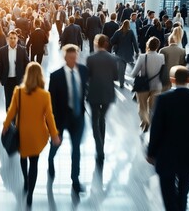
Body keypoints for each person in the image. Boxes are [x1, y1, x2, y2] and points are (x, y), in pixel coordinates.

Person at [147, 66, 189, 211]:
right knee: (183, 193)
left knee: (168, 194)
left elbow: (156, 129)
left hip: (167, 154)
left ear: (172, 80)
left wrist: (151, 152)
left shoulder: (163, 99)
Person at [2, 62, 61, 207]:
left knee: (23, 158)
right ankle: (30, 194)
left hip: (22, 133)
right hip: (37, 135)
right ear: (40, 76)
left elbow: (11, 110)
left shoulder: (19, 91)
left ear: (27, 75)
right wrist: (54, 134)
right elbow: (49, 117)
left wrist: (5, 125)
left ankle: (26, 182)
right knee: (34, 163)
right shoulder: (45, 95)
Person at [47, 44, 88, 194]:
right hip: (60, 117)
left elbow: (85, 90)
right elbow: (51, 101)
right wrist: (51, 124)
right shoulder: (56, 76)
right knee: (56, 144)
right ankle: (50, 160)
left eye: (75, 57)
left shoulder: (83, 71)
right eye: (70, 57)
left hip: (78, 116)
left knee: (76, 148)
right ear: (65, 58)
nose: (73, 60)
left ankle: (75, 180)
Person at [86, 34, 118, 171]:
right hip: (108, 94)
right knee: (102, 119)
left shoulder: (91, 58)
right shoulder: (112, 58)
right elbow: (116, 77)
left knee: (94, 121)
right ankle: (102, 144)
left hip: (94, 93)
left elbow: (87, 76)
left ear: (96, 43)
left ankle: (99, 150)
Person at [131, 37, 165, 132]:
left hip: (143, 87)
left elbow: (133, 73)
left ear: (147, 45)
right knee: (152, 107)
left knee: (142, 107)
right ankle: (148, 121)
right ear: (158, 46)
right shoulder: (162, 57)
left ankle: (145, 121)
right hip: (157, 86)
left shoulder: (142, 57)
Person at [0, 30, 29, 110]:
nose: (13, 40)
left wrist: (26, 77)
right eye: (11, 38)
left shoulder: (22, 50)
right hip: (7, 79)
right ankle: (9, 118)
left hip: (19, 79)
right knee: (8, 99)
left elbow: (27, 64)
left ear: (17, 39)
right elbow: (0, 65)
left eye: (14, 38)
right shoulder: (2, 51)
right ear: (8, 39)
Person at [111, 20, 139, 88]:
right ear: (128, 25)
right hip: (128, 53)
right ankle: (132, 80)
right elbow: (134, 43)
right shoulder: (131, 32)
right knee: (128, 65)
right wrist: (137, 51)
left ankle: (121, 83)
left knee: (121, 68)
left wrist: (116, 44)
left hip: (119, 53)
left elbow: (112, 41)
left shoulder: (117, 32)